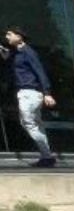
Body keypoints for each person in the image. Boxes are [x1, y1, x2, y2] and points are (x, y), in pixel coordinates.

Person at [2, 27, 56, 167]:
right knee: (36, 124)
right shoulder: (16, 53)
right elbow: (14, 68)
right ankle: (46, 156)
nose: (7, 37)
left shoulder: (28, 52)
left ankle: (48, 156)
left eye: (10, 34)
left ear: (19, 37)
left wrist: (47, 93)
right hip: (27, 93)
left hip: (29, 93)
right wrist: (7, 56)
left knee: (28, 123)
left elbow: (39, 71)